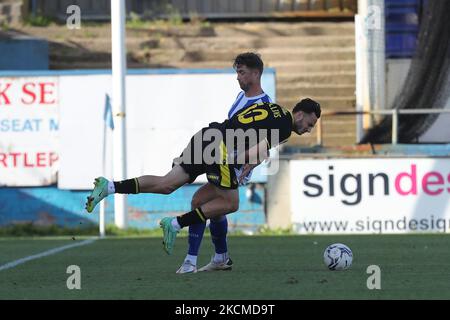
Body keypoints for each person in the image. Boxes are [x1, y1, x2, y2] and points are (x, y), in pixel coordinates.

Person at [85, 99, 321, 267]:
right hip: (221, 147)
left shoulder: (272, 109)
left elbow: (251, 133)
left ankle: (110, 186)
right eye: (309, 124)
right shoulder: (284, 127)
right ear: (299, 114)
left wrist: (249, 161)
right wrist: (236, 160)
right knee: (231, 203)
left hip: (207, 135)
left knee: (168, 184)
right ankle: (176, 224)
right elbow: (258, 148)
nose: (308, 130)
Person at [177, 52, 273, 274]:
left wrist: (251, 164)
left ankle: (191, 261)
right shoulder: (241, 98)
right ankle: (220, 257)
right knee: (212, 209)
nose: (237, 77)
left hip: (233, 165)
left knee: (199, 202)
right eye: (237, 72)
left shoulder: (264, 104)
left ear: (256, 73)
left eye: (242, 72)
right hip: (223, 159)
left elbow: (268, 142)